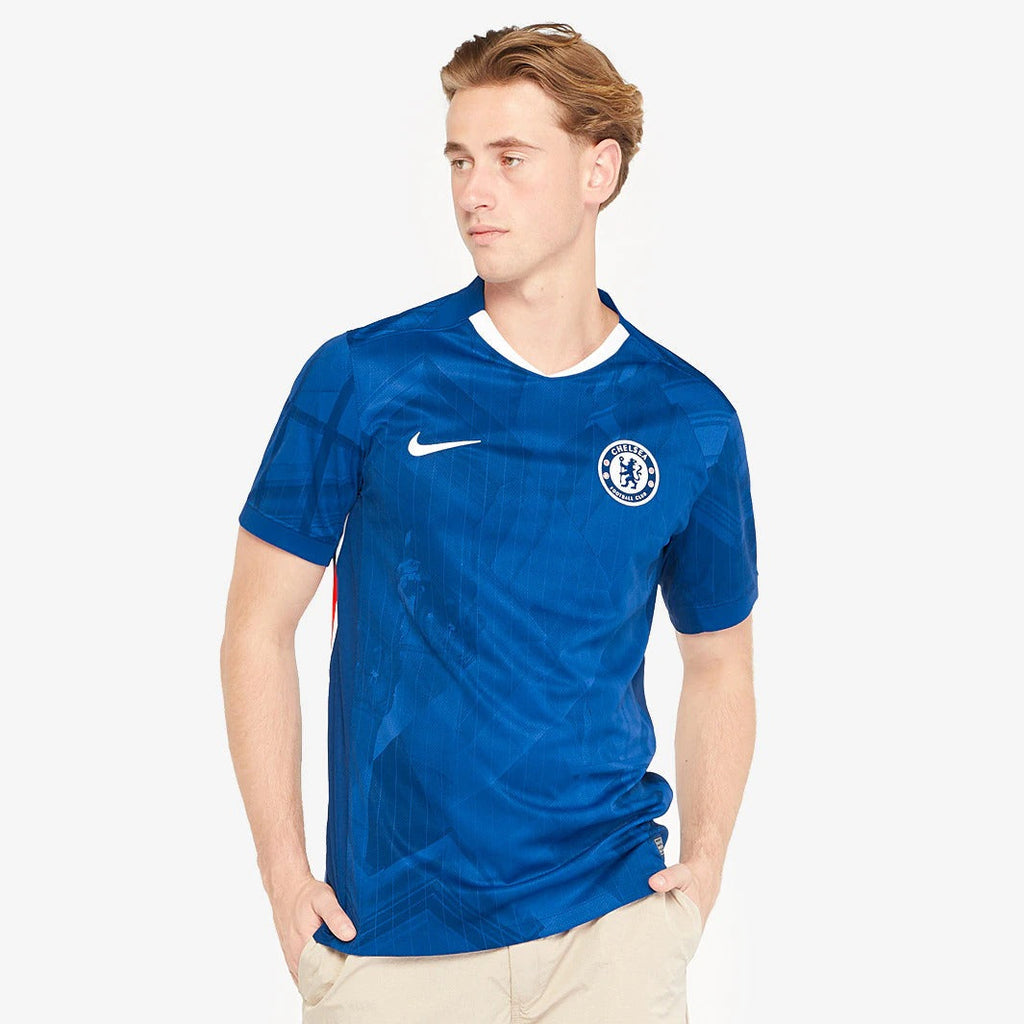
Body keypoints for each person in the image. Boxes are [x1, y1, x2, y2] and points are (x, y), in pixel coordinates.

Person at [221, 21, 758, 1023]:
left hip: (611, 925)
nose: (475, 191)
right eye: (460, 160)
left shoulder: (688, 419)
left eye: (511, 159)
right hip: (393, 937)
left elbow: (721, 658)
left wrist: (707, 862)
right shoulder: (363, 378)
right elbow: (256, 626)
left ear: (598, 171)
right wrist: (284, 877)